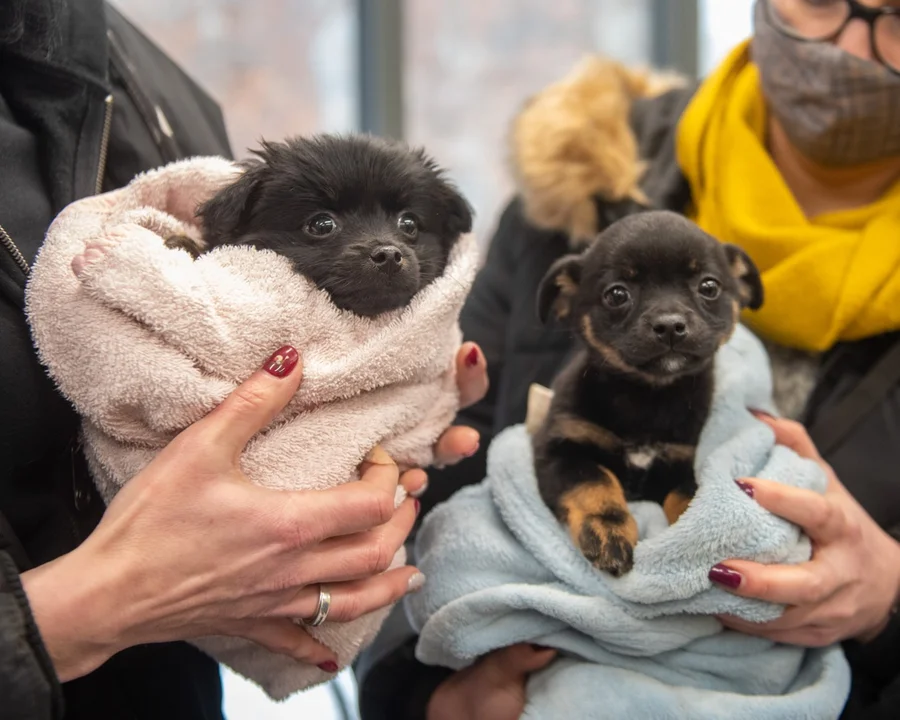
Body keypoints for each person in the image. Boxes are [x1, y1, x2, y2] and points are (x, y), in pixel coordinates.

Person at [356, 1, 900, 718]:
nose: (849, 43)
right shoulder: (575, 185)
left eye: (896, 13)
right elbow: (415, 465)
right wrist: (429, 692)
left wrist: (890, 595)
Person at [0, 2, 487, 718]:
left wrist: (410, 406)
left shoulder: (143, 72)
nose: (387, 246)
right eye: (323, 224)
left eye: (408, 224)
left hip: (171, 691)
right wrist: (89, 604)